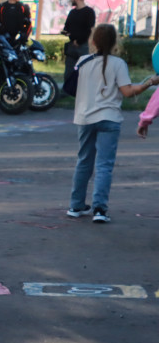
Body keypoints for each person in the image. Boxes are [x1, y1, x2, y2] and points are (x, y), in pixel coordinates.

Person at [66, 24, 159, 223]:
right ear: (115, 42)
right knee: (104, 165)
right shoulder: (118, 64)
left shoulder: (82, 62)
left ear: (93, 41)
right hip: (109, 118)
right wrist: (149, 83)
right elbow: (127, 92)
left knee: (84, 161)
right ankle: (99, 209)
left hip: (84, 118)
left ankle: (76, 205)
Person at [61, 0, 96, 87]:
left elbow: (90, 29)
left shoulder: (89, 12)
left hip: (84, 46)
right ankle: (67, 89)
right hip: (72, 45)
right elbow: (67, 26)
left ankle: (86, 89)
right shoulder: (72, 12)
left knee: (85, 69)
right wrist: (66, 32)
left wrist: (79, 40)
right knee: (69, 70)